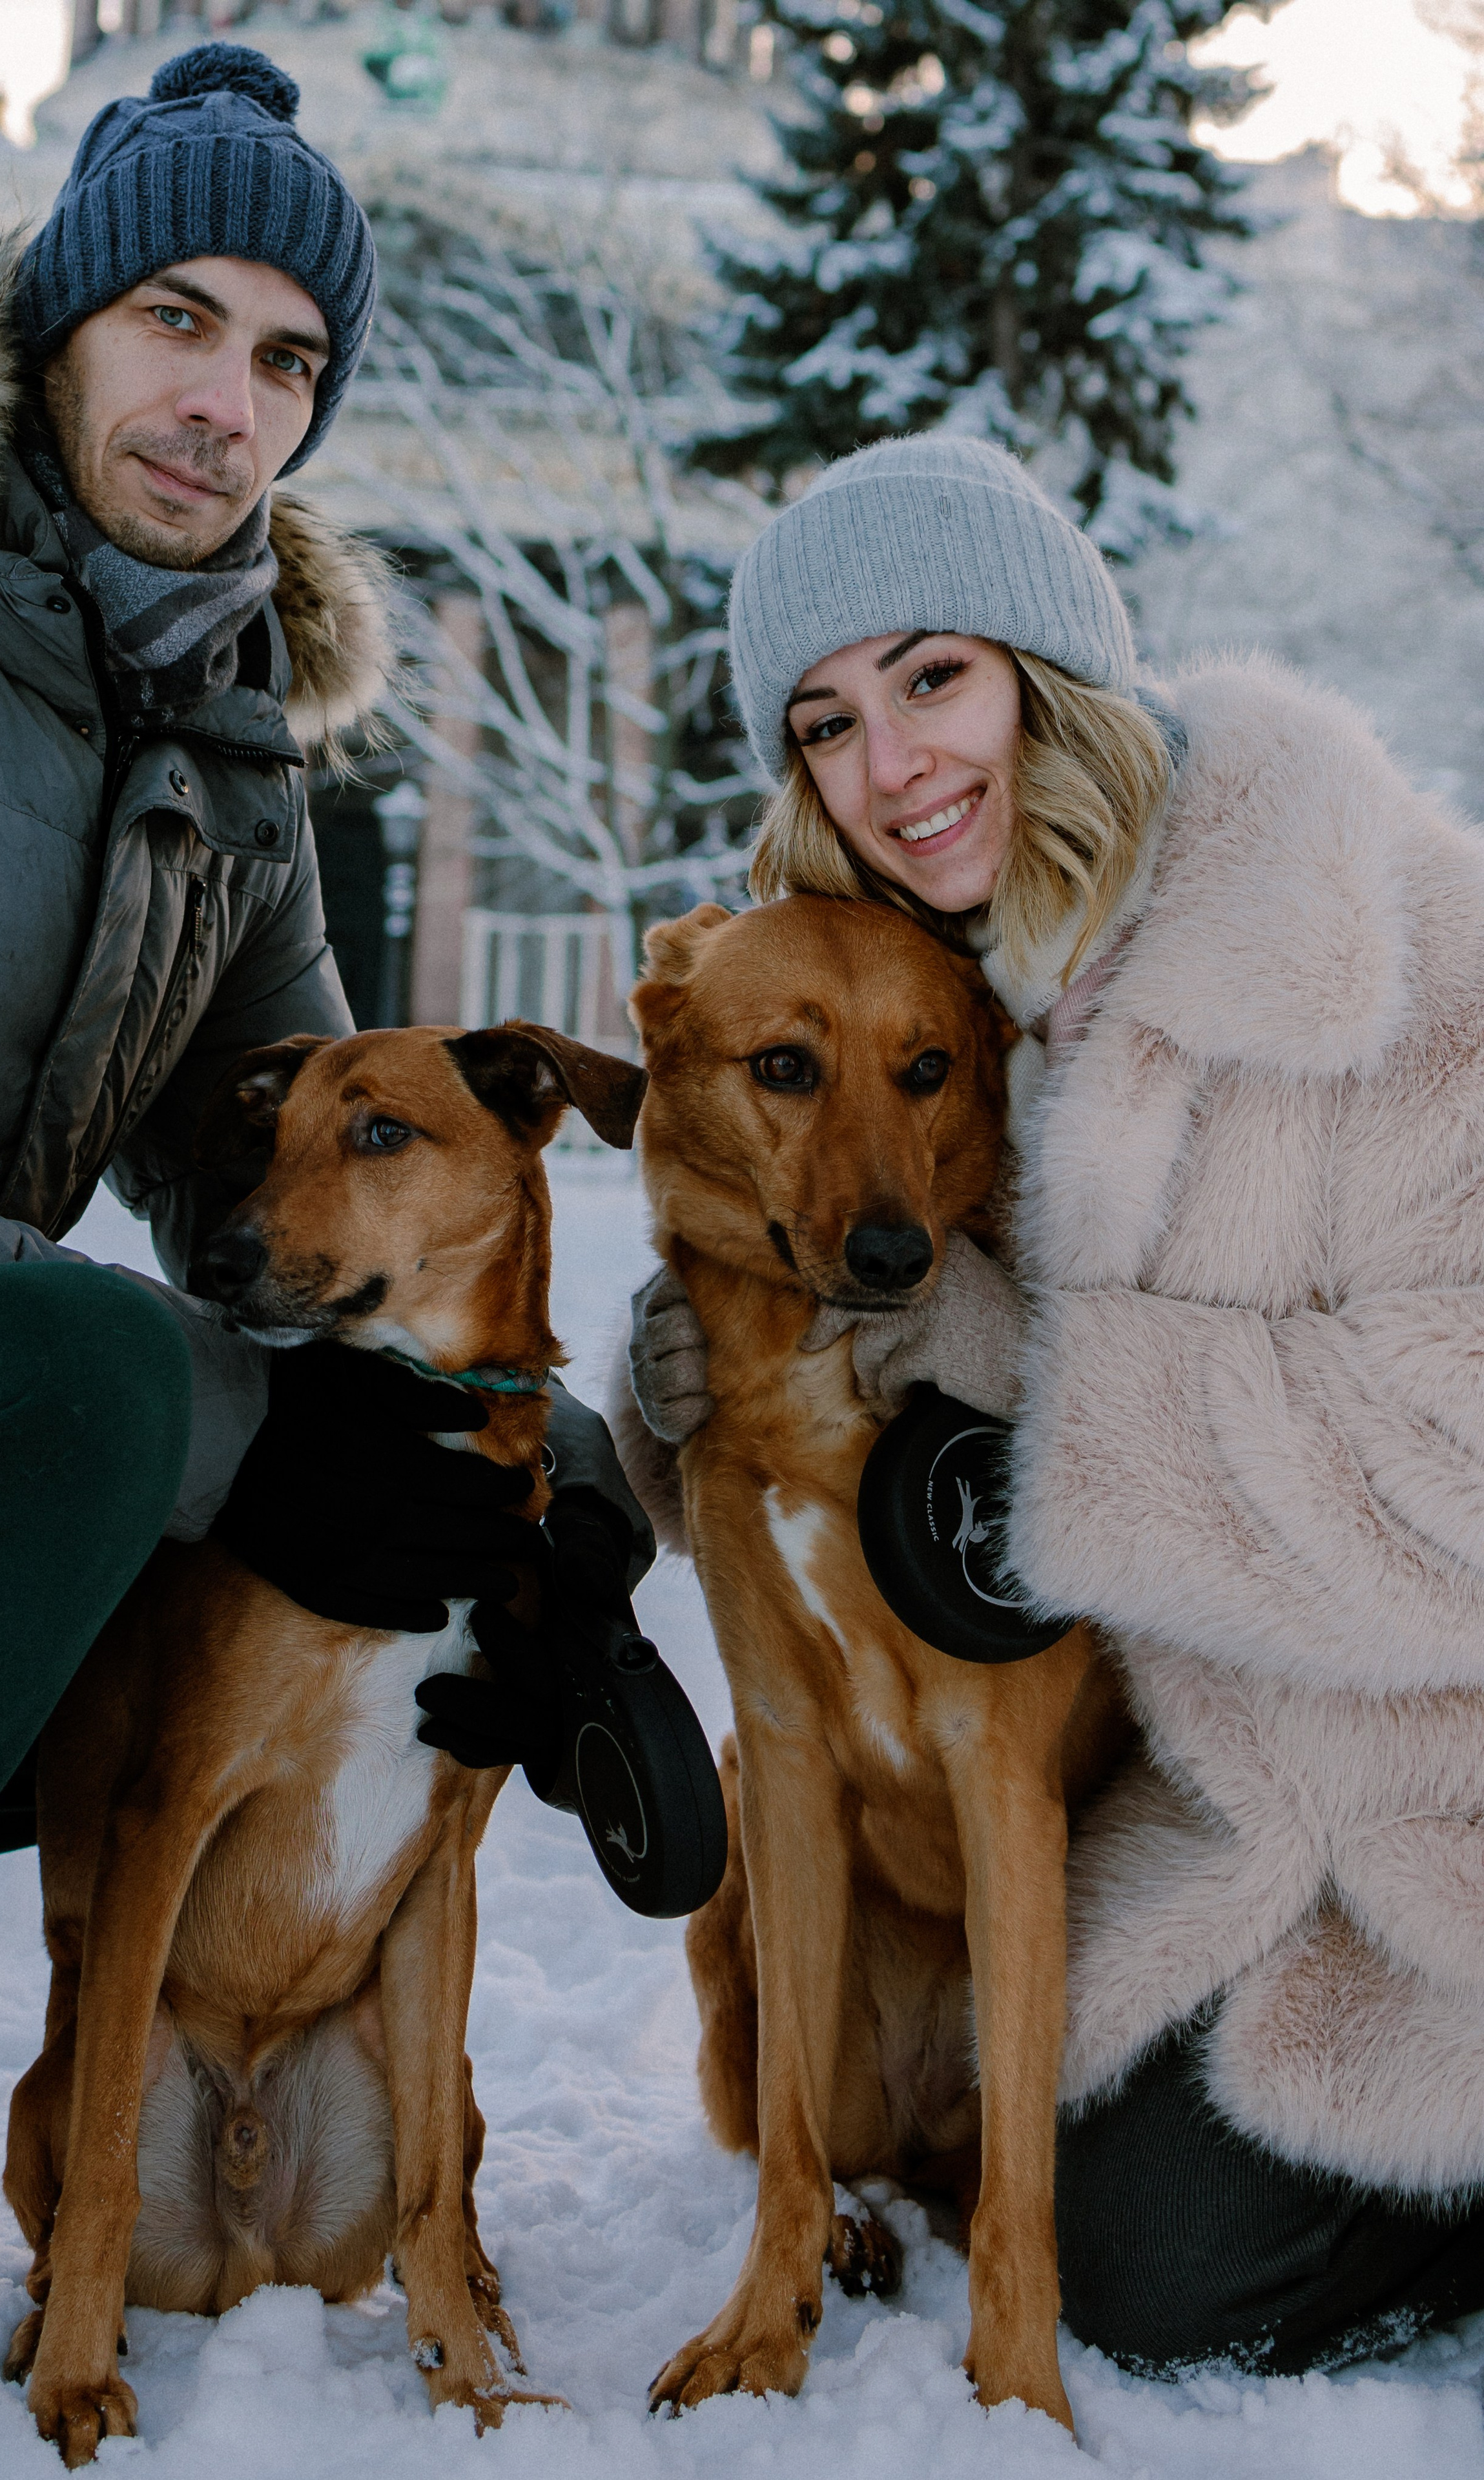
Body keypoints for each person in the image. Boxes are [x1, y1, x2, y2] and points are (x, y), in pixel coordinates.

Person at [0, 42, 648, 2218]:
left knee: (325, 1452)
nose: (228, 402)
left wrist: (545, 1491)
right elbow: (140, 1368)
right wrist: (221, 1417)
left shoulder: (233, 743)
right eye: (174, 320)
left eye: (287, 359)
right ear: (52, 322)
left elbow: (299, 1171)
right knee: (110, 1398)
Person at [627, 431, 1484, 2377]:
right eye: (830, 721)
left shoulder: (1405, 958)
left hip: (1424, 1804)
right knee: (1002, 2176)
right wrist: (697, 1371)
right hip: (1174, 1815)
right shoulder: (960, 1009)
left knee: (1163, 2270)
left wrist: (1058, 1381)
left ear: (1048, 672)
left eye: (937, 675)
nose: (894, 762)